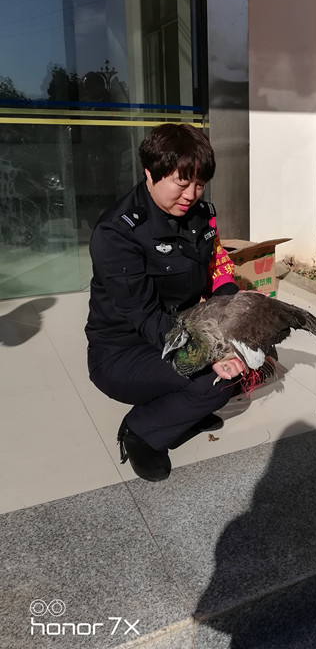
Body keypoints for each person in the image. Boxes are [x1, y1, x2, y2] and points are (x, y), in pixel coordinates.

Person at [86, 123, 246, 482]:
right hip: (124, 351)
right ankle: (141, 431)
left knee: (241, 364)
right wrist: (210, 354)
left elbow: (217, 268)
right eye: (181, 182)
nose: (191, 194)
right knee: (215, 379)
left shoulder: (199, 215)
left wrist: (235, 325)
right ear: (150, 172)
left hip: (181, 330)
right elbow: (145, 316)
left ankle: (181, 411)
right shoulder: (117, 233)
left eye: (200, 184)